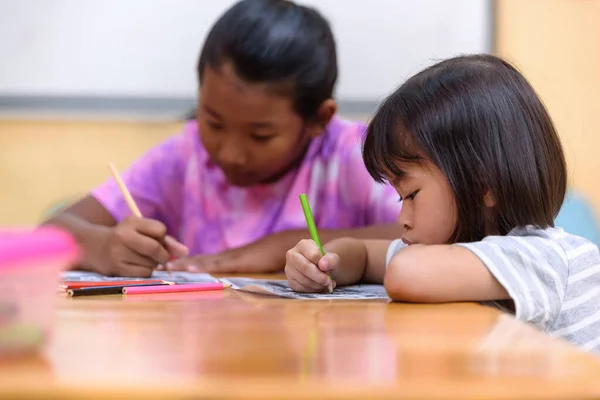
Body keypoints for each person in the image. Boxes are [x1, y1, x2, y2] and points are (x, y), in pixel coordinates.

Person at [44, 0, 402, 277]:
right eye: (213, 123)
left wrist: (281, 246)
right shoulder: (182, 159)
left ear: (318, 119)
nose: (229, 154)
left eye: (260, 135)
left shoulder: (359, 156)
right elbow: (52, 231)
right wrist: (103, 247)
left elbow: (435, 237)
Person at [284, 54, 600, 353]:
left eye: (411, 195)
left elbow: (404, 272)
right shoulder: (457, 249)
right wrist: (326, 264)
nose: (402, 218)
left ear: (482, 185)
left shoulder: (541, 257)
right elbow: (363, 255)